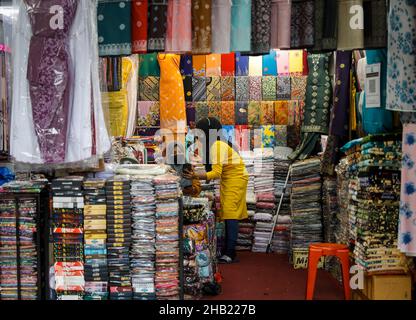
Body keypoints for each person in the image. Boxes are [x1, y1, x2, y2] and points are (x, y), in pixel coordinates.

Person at [183, 117, 248, 264]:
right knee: (227, 212)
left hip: (235, 179)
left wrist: (195, 176)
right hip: (230, 179)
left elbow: (216, 173)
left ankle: (230, 253)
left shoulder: (218, 145)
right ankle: (228, 250)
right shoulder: (215, 144)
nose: (197, 135)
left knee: (231, 213)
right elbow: (214, 172)